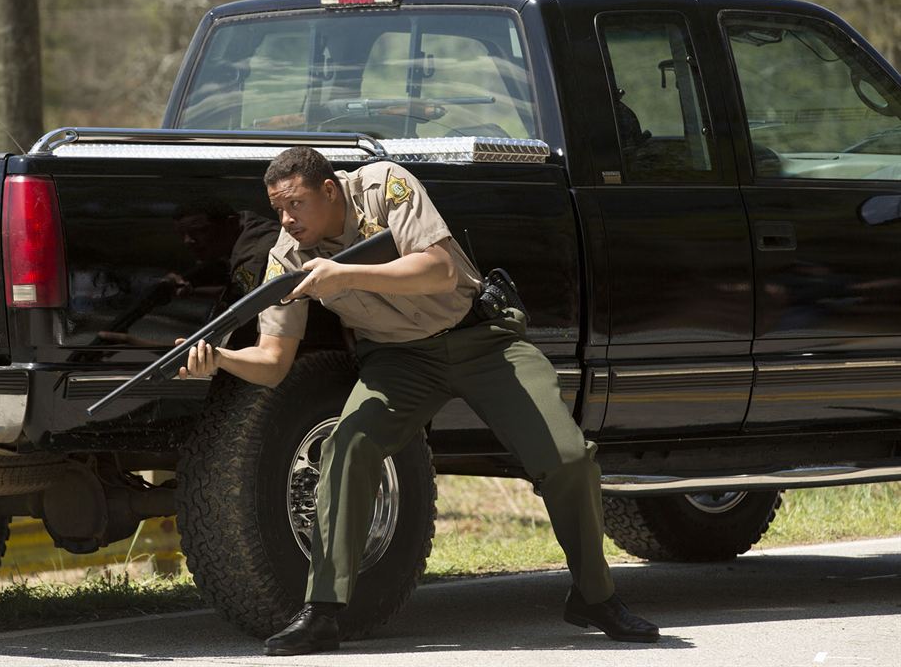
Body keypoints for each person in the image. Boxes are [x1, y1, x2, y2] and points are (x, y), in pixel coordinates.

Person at [177, 146, 659, 656]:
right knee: (346, 450)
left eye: (295, 204)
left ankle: (594, 597)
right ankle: (323, 612)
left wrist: (343, 275)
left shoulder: (384, 185)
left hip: (483, 341)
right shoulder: (287, 258)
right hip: (399, 362)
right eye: (277, 209)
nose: (287, 219)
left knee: (567, 458)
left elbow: (439, 271)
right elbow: (273, 362)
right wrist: (221, 361)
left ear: (329, 189)